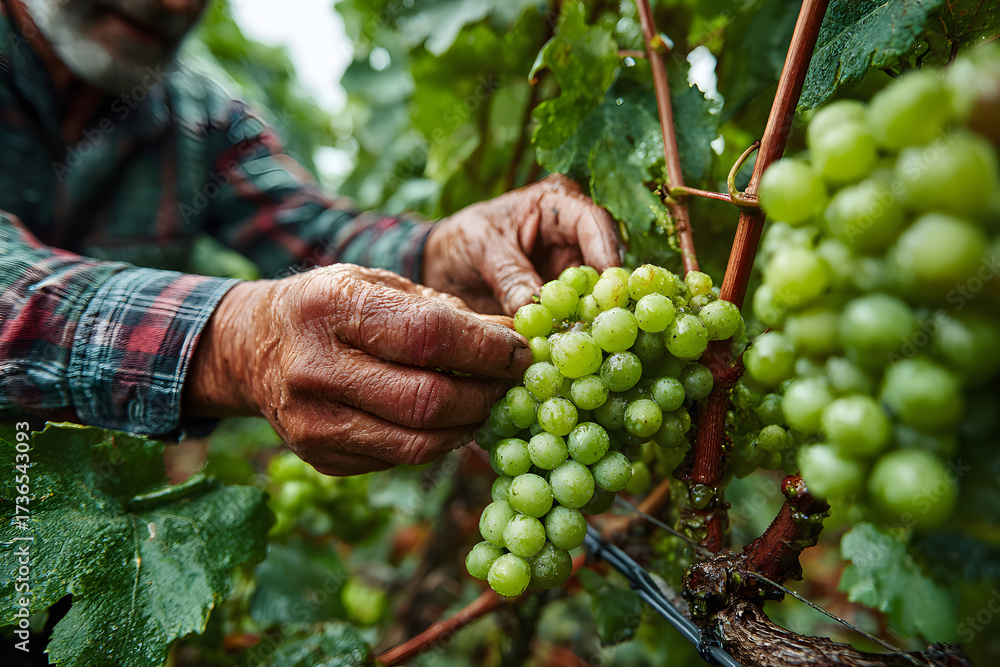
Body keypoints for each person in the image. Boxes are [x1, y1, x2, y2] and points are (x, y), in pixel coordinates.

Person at [0, 0, 621, 474]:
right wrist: (234, 343)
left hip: (85, 520)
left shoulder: (200, 115)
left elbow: (314, 236)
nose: (178, 5)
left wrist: (440, 253)